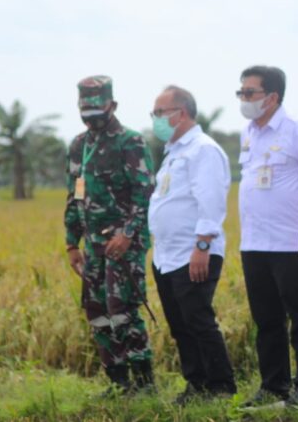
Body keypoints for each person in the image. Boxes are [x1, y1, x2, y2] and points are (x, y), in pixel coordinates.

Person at [236, 65, 298, 408]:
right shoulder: (248, 132)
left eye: (250, 93)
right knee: (266, 320)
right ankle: (273, 386)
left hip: (291, 241)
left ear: (272, 97)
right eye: (241, 93)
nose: (243, 99)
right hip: (254, 243)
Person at [64, 75, 155, 396]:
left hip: (123, 245)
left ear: (112, 105)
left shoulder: (129, 142)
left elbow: (144, 191)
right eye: (83, 107)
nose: (90, 114)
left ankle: (144, 385)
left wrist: (128, 234)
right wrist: (71, 243)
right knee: (97, 311)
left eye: (96, 106)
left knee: (123, 309)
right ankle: (119, 382)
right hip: (93, 246)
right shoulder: (79, 145)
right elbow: (73, 195)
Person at [147, 85, 236, 404]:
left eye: (159, 112)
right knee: (180, 324)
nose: (155, 119)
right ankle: (196, 384)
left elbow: (210, 201)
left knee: (198, 320)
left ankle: (221, 387)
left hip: (193, 252)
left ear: (180, 113)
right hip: (167, 255)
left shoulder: (203, 149)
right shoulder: (175, 151)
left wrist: (202, 246)